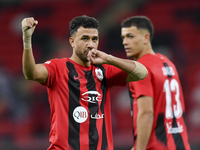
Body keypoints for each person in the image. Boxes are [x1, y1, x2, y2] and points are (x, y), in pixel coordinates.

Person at [21, 15, 148, 150]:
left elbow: (142, 72)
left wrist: (109, 58)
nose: (91, 44)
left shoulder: (104, 69)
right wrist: (27, 40)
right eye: (85, 38)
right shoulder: (58, 67)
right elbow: (31, 73)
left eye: (95, 39)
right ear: (72, 41)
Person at [121, 16, 191, 150]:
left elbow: (146, 113)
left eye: (130, 37)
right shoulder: (168, 63)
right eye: (123, 37)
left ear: (146, 38)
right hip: (181, 144)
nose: (125, 42)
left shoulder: (141, 68)